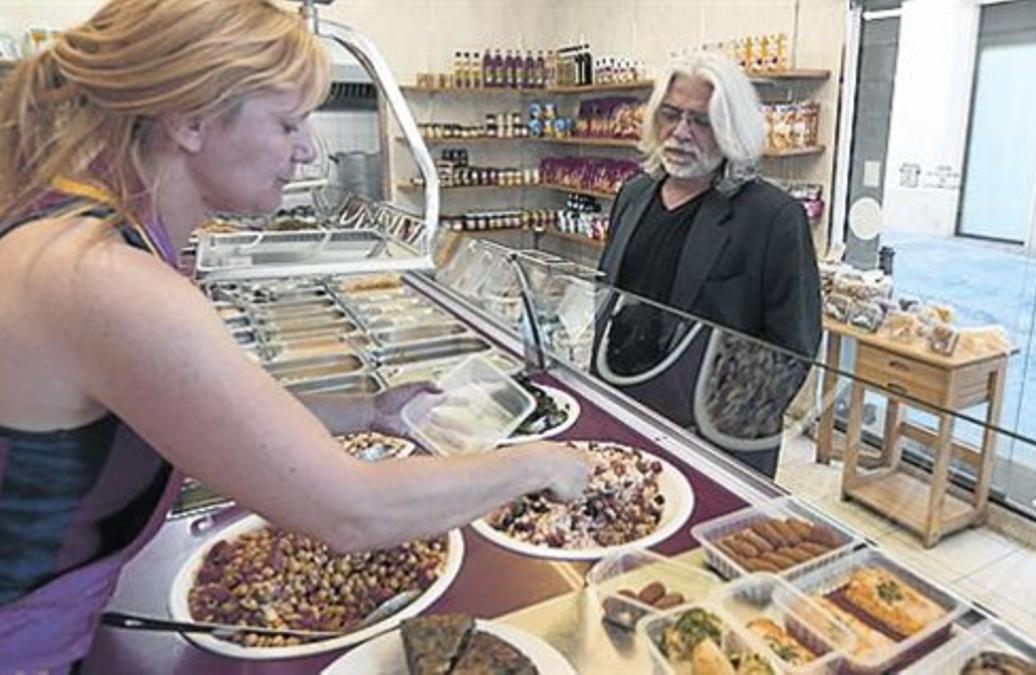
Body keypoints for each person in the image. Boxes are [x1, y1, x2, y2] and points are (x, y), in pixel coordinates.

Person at [0, 1, 590, 671]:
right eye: (288, 122)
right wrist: (541, 462)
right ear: (189, 120)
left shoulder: (81, 232)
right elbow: (350, 511)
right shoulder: (102, 275)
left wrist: (366, 411)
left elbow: (208, 418)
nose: (309, 148)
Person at [594, 51, 822, 478]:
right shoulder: (634, 194)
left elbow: (793, 347)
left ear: (732, 130)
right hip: (625, 412)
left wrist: (716, 428)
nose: (680, 133)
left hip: (712, 441)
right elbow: (608, 299)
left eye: (701, 122)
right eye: (671, 115)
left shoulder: (773, 218)